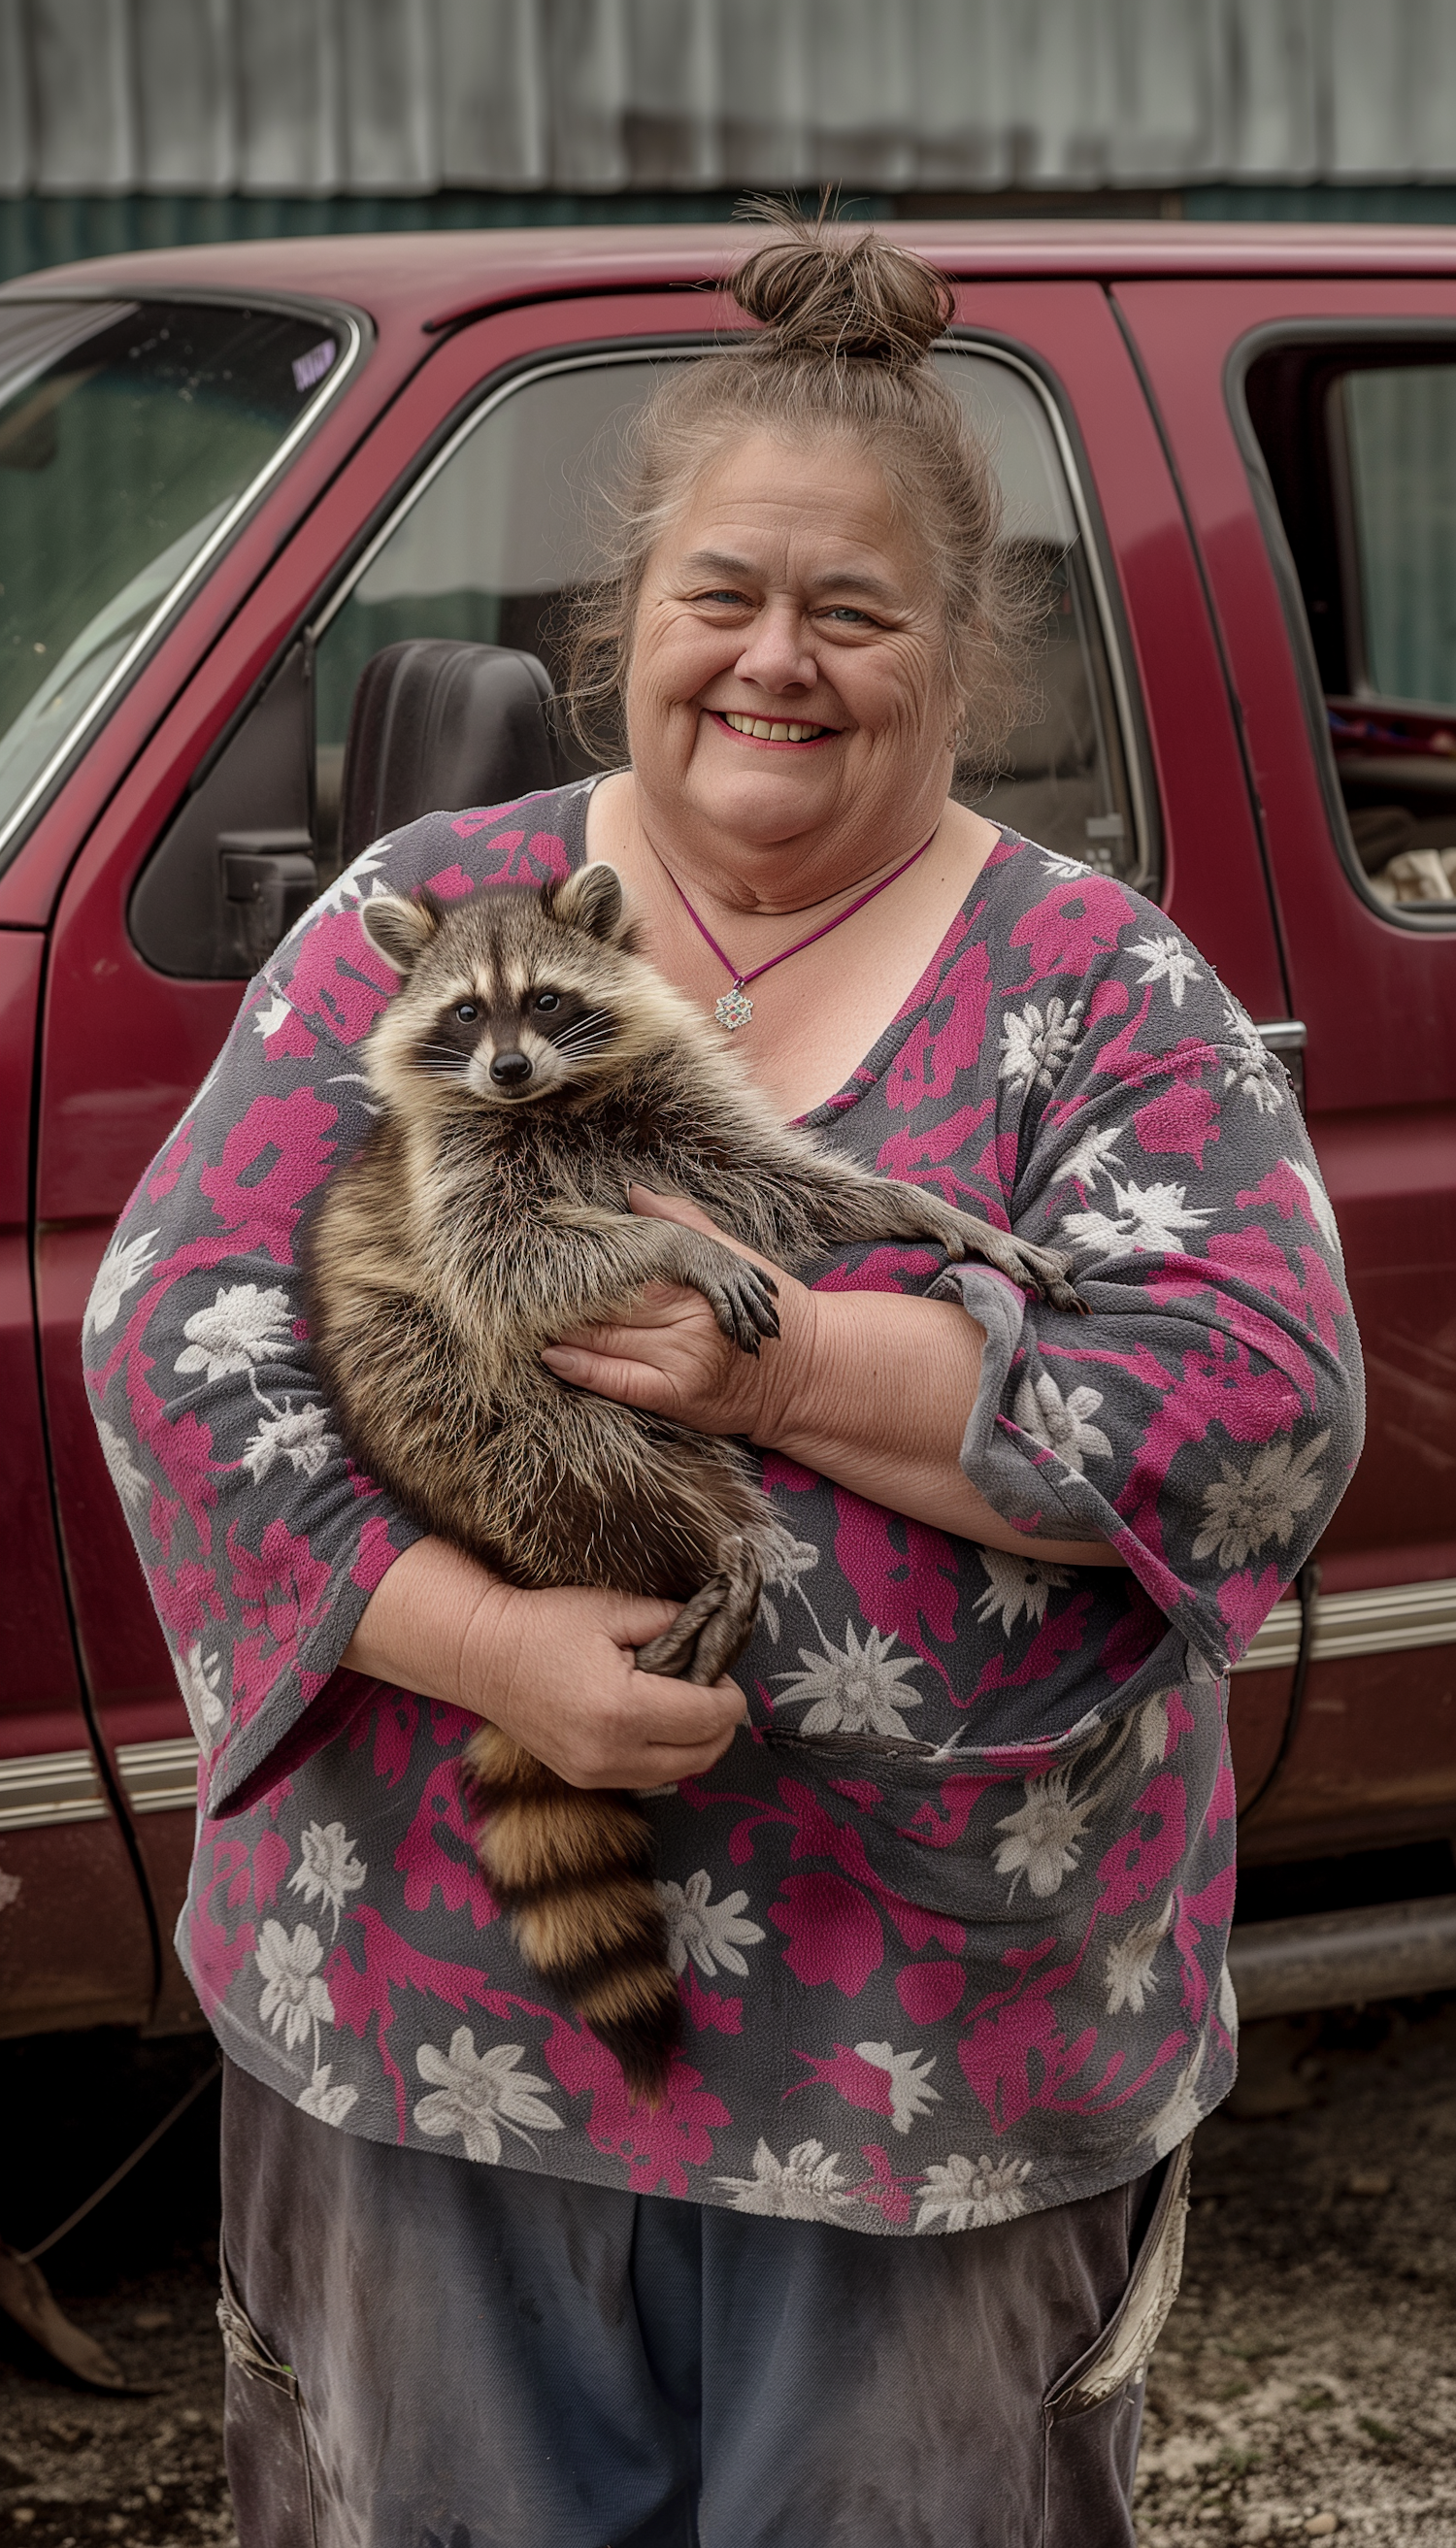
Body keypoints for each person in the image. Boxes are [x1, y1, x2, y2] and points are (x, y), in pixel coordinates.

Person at [87, 216, 1363, 2548]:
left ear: (961, 653)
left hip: (940, 2065)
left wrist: (769, 1369)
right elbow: (176, 1341)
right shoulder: (428, 906)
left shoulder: (1102, 986)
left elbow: (1252, 1413)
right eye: (722, 598)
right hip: (426, 2030)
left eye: (853, 613)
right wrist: (488, 1648)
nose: (777, 662)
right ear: (629, 630)